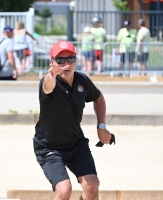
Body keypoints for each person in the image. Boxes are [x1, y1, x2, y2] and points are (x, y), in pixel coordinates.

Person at [33, 40, 112, 200]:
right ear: (52, 62)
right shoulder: (49, 82)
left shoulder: (82, 81)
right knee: (64, 190)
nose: (65, 64)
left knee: (92, 184)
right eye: (60, 60)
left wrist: (101, 125)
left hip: (75, 143)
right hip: (49, 147)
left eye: (70, 59)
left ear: (76, 60)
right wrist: (52, 74)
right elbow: (48, 86)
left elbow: (98, 98)